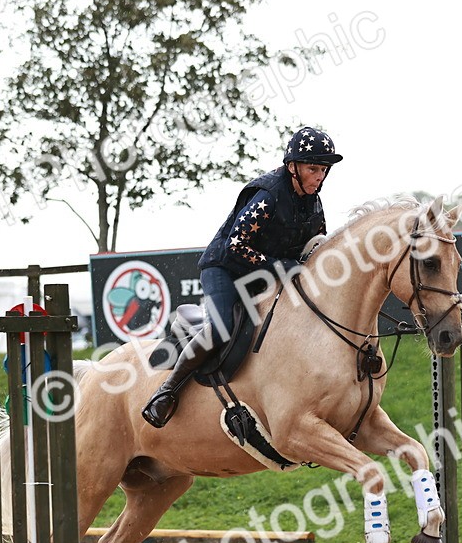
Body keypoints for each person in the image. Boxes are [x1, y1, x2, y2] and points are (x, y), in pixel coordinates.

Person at [141, 126, 343, 428]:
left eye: (323, 169)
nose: (319, 176)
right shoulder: (268, 195)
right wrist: (281, 266)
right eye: (313, 168)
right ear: (292, 167)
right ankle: (166, 391)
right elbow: (236, 246)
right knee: (223, 328)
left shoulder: (313, 202)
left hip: (263, 275)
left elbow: (316, 245)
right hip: (226, 268)